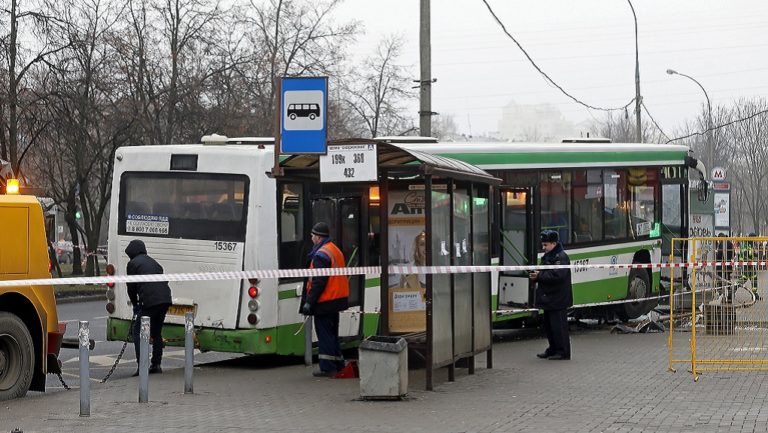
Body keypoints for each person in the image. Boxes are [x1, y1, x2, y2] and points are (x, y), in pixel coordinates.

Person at [300, 222, 350, 377]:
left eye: (313, 235)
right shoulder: (334, 250)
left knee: (324, 334)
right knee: (332, 332)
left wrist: (310, 302)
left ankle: (327, 367)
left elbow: (318, 282)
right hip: (336, 299)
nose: (311, 238)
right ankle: (338, 363)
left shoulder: (321, 254)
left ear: (318, 237)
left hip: (325, 300)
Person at [125, 239, 172, 375]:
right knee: (156, 332)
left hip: (150, 301)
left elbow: (131, 287)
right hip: (165, 300)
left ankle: (143, 366)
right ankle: (156, 364)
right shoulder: (154, 262)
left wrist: (135, 304)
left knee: (138, 332)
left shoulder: (133, 264)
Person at [530, 230, 573, 361]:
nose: (543, 248)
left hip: (558, 298)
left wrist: (539, 276)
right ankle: (553, 349)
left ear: (554, 243)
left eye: (546, 245)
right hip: (549, 298)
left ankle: (562, 352)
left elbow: (558, 275)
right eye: (543, 245)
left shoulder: (561, 257)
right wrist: (537, 276)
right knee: (549, 327)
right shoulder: (549, 256)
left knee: (558, 326)